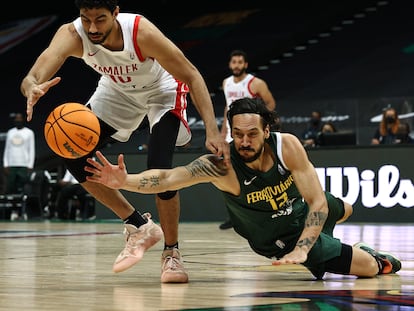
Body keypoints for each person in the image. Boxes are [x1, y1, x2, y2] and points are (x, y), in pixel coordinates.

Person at [20, 0, 229, 283]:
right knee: (71, 154)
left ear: (116, 13)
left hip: (161, 90)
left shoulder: (141, 33)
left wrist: (212, 131)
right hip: (117, 91)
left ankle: (171, 253)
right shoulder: (72, 34)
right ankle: (138, 225)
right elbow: (33, 75)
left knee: (159, 167)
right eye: (86, 19)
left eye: (100, 19)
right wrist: (32, 86)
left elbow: (191, 74)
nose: (92, 28)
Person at [85, 97, 401, 280]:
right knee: (371, 269)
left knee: (345, 208)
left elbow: (317, 202)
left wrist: (305, 247)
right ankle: (362, 254)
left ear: (267, 130)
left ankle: (320, 251)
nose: (245, 142)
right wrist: (124, 181)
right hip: (277, 238)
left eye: (252, 134)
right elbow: (168, 179)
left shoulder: (287, 146)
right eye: (238, 134)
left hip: (302, 217)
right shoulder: (221, 164)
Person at [219, 49, 276, 230]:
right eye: (233, 62)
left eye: (239, 62)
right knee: (230, 175)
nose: (236, 65)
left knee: (256, 174)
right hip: (232, 134)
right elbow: (227, 108)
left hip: (251, 134)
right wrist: (223, 133)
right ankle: (235, 217)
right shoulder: (226, 83)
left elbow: (271, 103)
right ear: (230, 64)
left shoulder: (256, 83)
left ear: (245, 65)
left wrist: (261, 124)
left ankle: (264, 212)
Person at [2, 113, 35, 220]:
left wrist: (30, 165)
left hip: (24, 165)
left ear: (23, 120)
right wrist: (5, 164)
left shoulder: (29, 133)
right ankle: (14, 211)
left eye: (19, 119)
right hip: (12, 165)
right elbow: (7, 149)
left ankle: (23, 212)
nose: (18, 120)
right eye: (16, 119)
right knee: (11, 189)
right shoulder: (10, 132)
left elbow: (32, 149)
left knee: (23, 189)